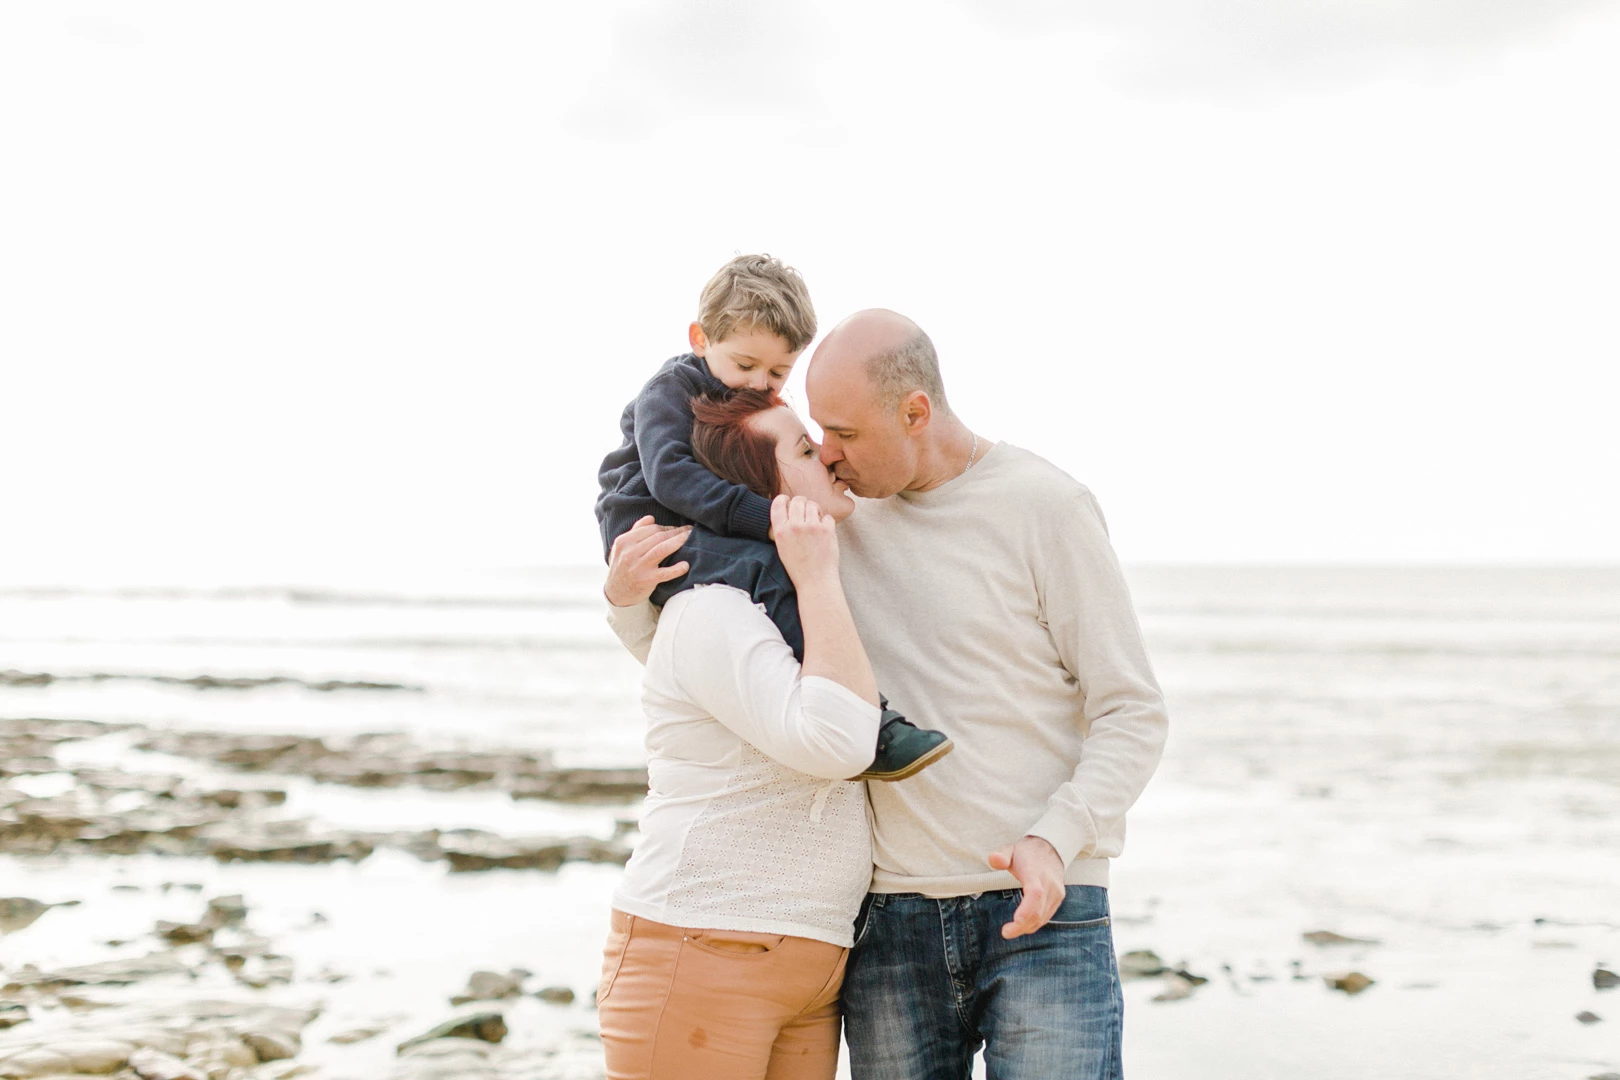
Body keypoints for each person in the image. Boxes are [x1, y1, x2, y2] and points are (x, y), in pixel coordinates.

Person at [606, 309, 1169, 1080]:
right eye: (819, 436)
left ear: (915, 413)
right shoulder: (822, 515)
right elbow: (717, 653)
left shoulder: (1047, 507)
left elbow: (1131, 710)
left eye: (844, 433)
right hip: (885, 920)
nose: (829, 457)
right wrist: (624, 598)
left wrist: (1058, 839)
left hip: (1044, 903)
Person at [597, 391, 880, 1080]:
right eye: (806, 453)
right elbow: (841, 744)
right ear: (761, 494)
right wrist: (814, 573)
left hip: (809, 962)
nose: (831, 459)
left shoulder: (769, 605)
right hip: (703, 948)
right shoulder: (716, 609)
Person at [595, 253, 950, 781]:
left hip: (696, 520)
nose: (760, 385)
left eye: (779, 372)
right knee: (764, 567)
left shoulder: (741, 399)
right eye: (745, 366)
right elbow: (670, 478)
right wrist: (768, 519)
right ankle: (871, 719)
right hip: (652, 527)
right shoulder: (667, 394)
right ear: (700, 339)